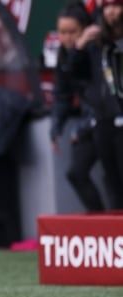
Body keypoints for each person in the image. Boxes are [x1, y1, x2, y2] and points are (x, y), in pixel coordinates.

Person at [50, 1, 105, 212]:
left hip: (105, 121)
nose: (67, 37)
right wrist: (56, 127)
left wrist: (84, 127)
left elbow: (100, 94)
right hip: (90, 124)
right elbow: (62, 94)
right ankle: (101, 226)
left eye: (72, 31)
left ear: (85, 29)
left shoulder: (97, 48)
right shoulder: (65, 55)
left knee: (114, 177)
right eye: (62, 32)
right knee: (76, 173)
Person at [71, 0, 123, 208]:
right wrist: (79, 46)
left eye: (117, 5)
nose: (111, 11)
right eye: (107, 5)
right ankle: (116, 235)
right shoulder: (95, 40)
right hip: (103, 119)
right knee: (112, 180)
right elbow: (74, 76)